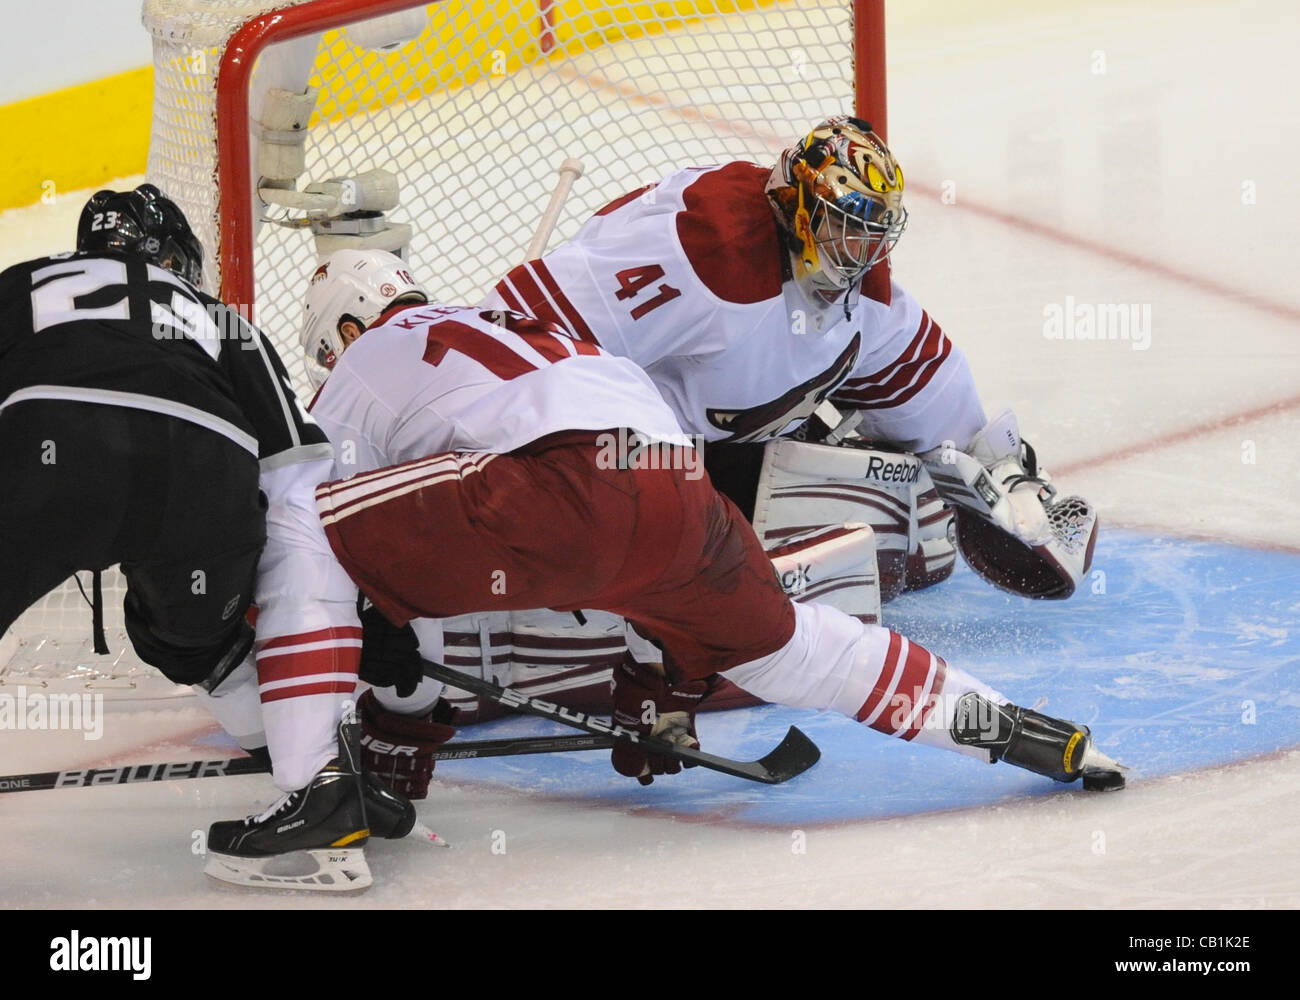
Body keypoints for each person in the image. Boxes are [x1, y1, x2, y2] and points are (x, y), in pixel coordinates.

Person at [208, 247, 1124, 890]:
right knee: (795, 651)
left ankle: (315, 804)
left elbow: (348, 546)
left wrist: (383, 684)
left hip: (553, 488)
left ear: (345, 328)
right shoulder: (511, 321)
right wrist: (663, 677)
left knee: (300, 518)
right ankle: (1028, 733)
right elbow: (470, 533)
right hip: (673, 485)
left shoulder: (356, 370)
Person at [460, 115, 1101, 717]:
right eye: (845, 223)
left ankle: (655, 611)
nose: (859, 251)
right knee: (802, 567)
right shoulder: (702, 255)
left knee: (906, 522)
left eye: (873, 231)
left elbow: (923, 375)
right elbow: (517, 327)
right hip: (607, 458)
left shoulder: (860, 295)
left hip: (702, 453)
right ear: (797, 205)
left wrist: (1002, 473)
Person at [0, 185, 414, 891]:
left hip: (52, 449)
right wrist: (344, 609)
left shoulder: (21, 281)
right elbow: (296, 475)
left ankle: (323, 777)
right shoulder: (222, 319)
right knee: (197, 640)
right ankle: (325, 777)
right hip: (203, 471)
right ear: (175, 260)